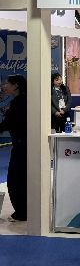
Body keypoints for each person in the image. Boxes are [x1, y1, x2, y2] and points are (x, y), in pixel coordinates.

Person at [0, 75, 27, 222]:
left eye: (7, 83)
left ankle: (22, 212)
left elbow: (8, 123)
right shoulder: (21, 100)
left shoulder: (19, 102)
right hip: (22, 144)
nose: (4, 86)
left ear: (15, 85)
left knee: (16, 180)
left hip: (21, 145)